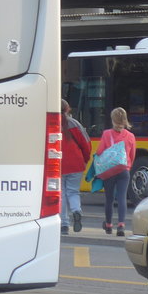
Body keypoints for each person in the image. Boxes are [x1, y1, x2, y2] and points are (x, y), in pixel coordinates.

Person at [98, 107, 137, 236]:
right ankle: (121, 225)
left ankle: (108, 225)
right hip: (124, 170)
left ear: (112, 119)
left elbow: (99, 152)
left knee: (109, 199)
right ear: (125, 120)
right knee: (121, 198)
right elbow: (132, 155)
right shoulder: (130, 136)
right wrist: (127, 167)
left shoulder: (106, 134)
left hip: (109, 171)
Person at [59, 100, 91, 235]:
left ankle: (64, 224)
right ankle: (76, 211)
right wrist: (85, 159)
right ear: (68, 109)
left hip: (57, 164)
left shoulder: (49, 123)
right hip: (76, 163)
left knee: (61, 194)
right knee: (73, 192)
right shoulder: (74, 124)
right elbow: (86, 143)